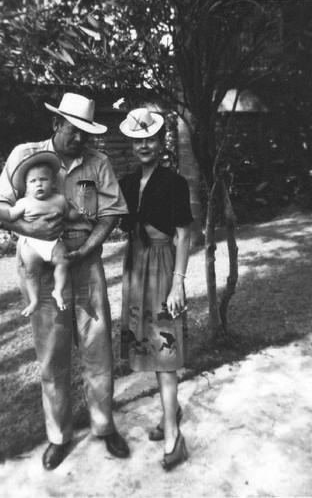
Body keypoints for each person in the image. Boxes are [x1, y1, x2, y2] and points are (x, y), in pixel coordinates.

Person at [0, 92, 130, 470]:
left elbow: (111, 213)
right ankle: (58, 437)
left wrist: (89, 248)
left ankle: (104, 426)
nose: (80, 139)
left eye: (86, 132)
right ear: (56, 125)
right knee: (52, 357)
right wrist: (29, 229)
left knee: (98, 349)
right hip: (41, 267)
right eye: (73, 130)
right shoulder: (26, 156)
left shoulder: (98, 163)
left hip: (84, 266)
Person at [118, 107, 194, 471]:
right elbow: (118, 223)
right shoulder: (128, 183)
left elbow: (183, 234)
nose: (144, 144)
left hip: (164, 269)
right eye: (138, 139)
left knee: (165, 351)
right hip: (136, 269)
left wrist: (178, 281)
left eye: (150, 137)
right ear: (132, 145)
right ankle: (170, 412)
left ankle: (174, 436)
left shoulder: (174, 182)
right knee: (149, 348)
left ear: (162, 140)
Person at [0, 151, 82, 317]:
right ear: (27, 186)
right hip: (33, 244)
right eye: (33, 181)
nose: (39, 184)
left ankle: (58, 291)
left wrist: (79, 213)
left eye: (43, 179)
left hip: (54, 242)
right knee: (31, 271)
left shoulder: (59, 200)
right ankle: (34, 300)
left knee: (63, 262)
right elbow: (9, 215)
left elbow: (69, 214)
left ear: (52, 182)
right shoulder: (24, 203)